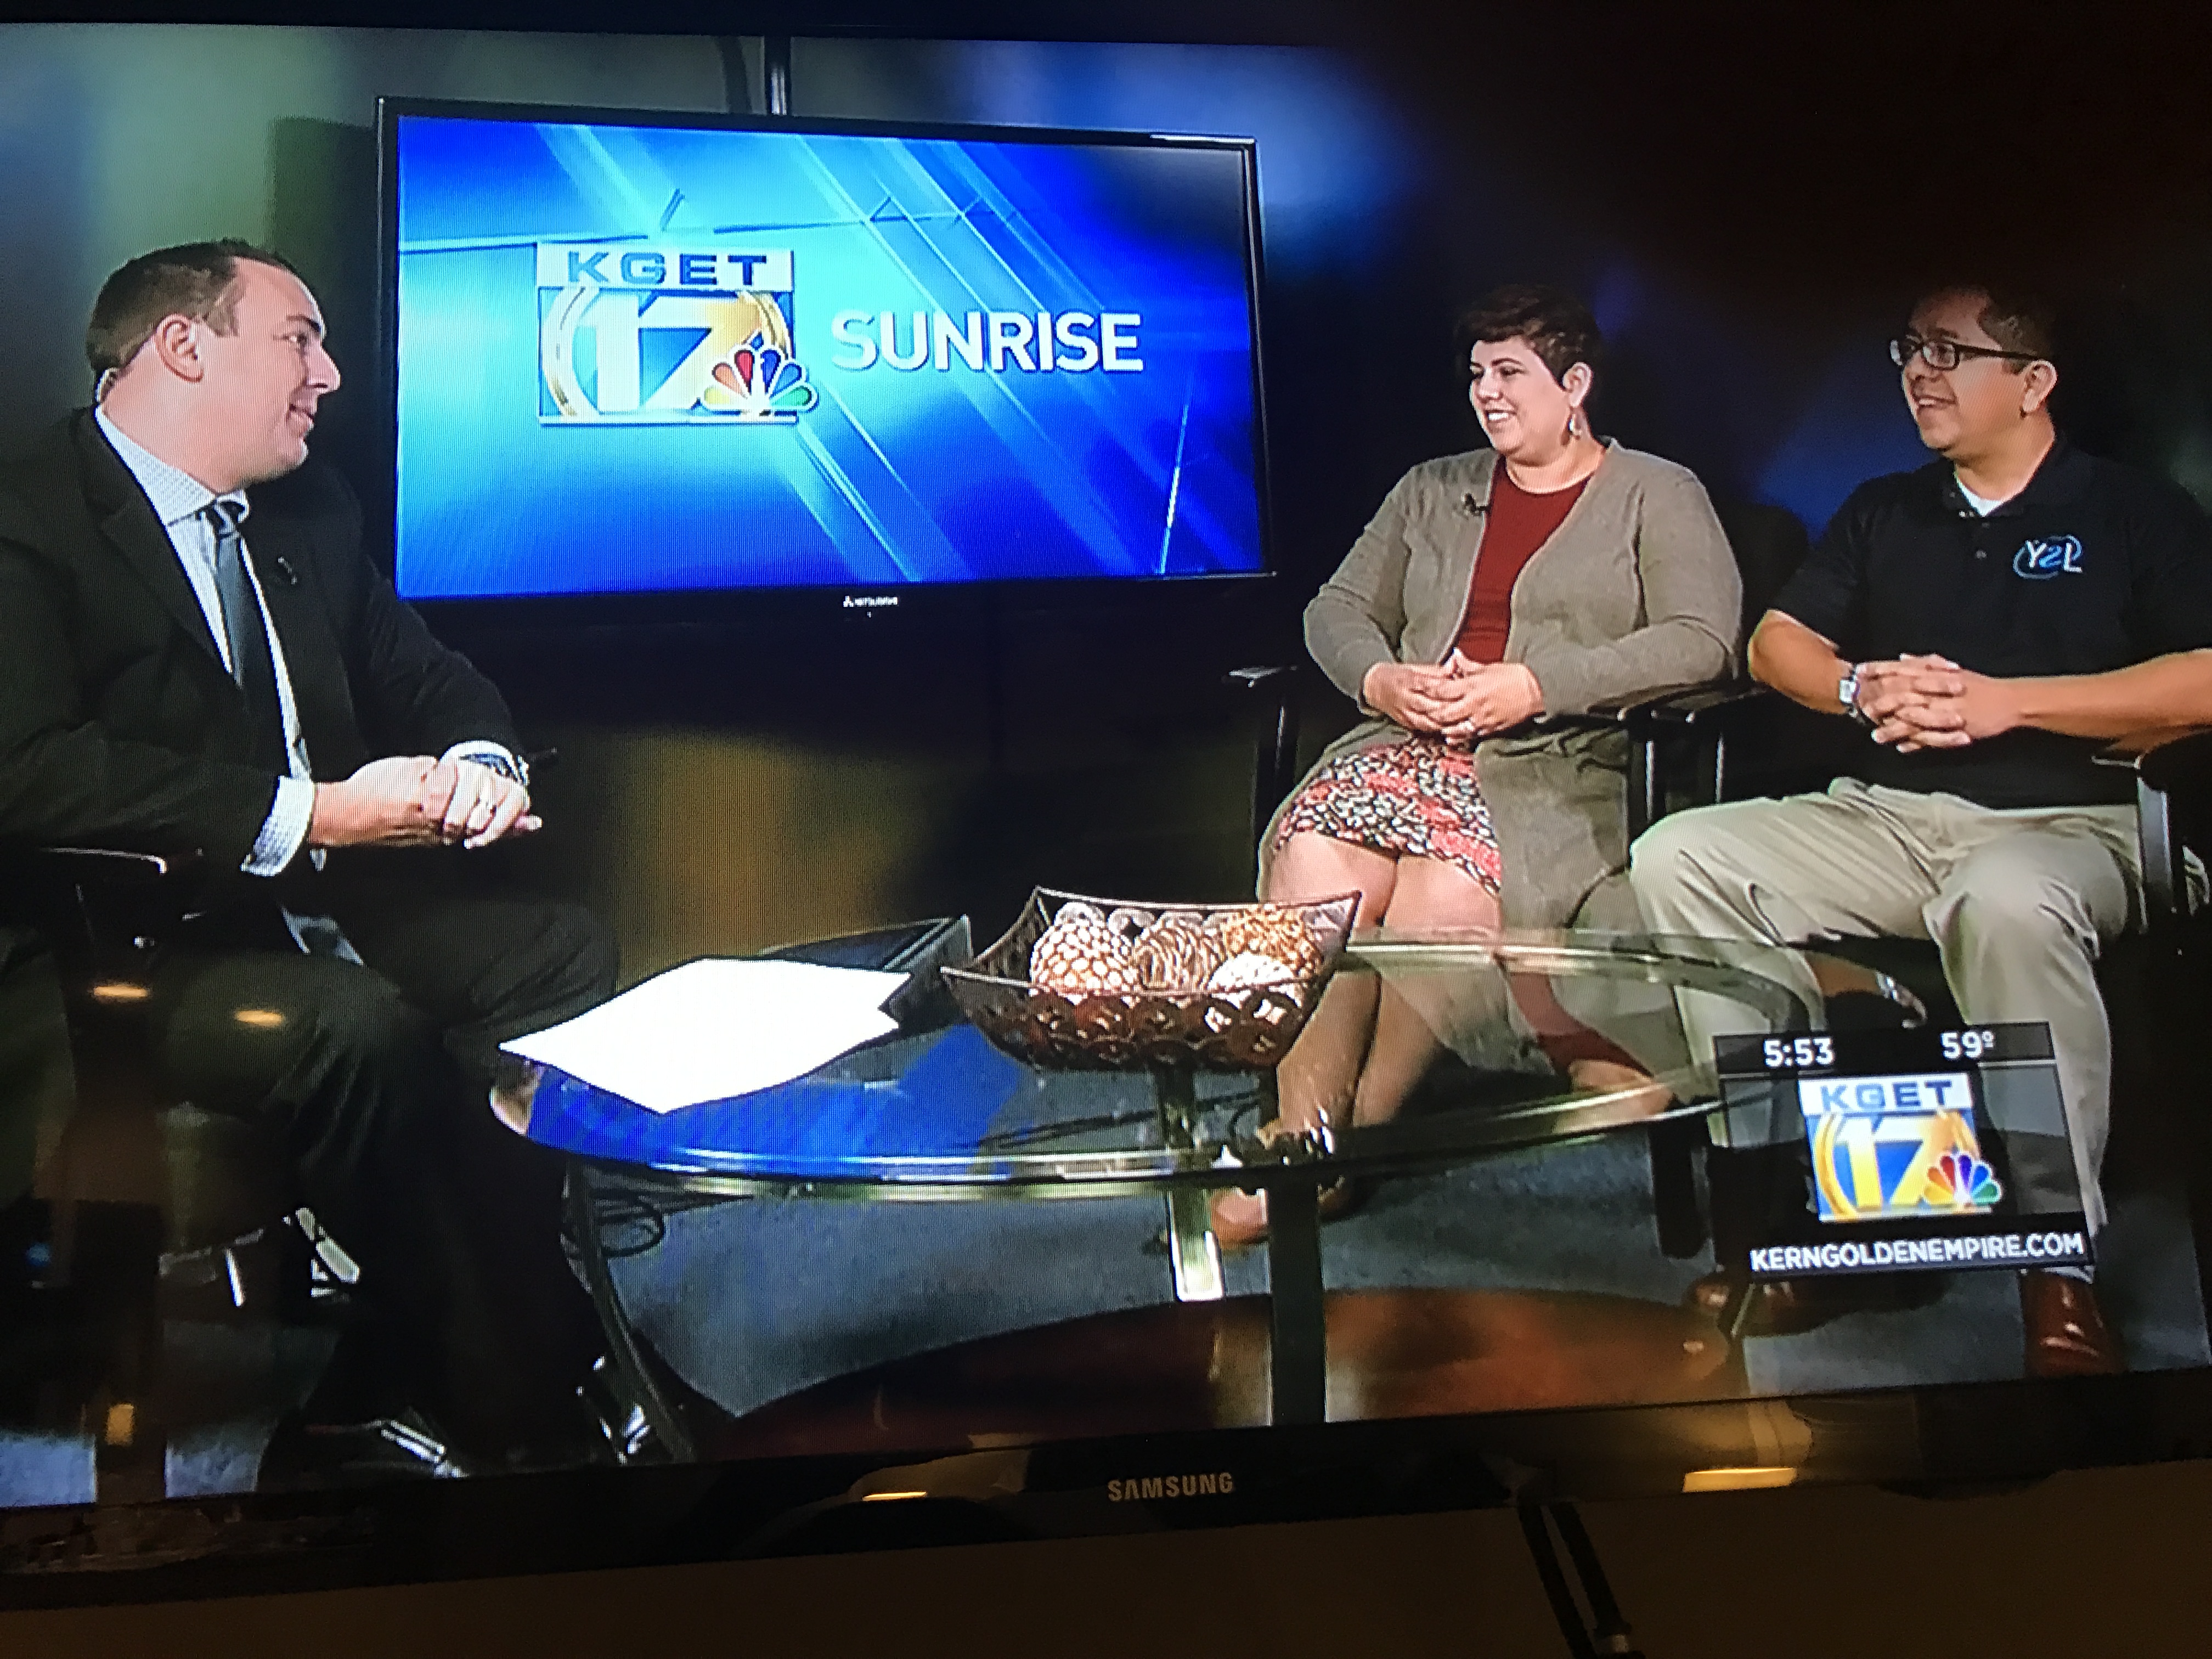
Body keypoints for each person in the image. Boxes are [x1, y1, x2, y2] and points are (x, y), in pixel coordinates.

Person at [0, 240, 618, 1470]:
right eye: (300, 339)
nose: (329, 375)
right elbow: (26, 768)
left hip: (307, 910)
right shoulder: (27, 519)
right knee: (349, 1028)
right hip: (106, 958)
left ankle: (407, 1339)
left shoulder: (312, 513)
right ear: (185, 347)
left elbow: (429, 676)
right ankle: (518, 1390)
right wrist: (321, 813)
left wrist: (480, 768)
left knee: (558, 953)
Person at [1630, 283, 2212, 1376]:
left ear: (2033, 384)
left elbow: (2205, 678)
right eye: (1909, 349)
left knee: (2000, 900)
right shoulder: (1886, 509)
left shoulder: (2134, 510)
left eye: (1950, 352)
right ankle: (1790, 1212)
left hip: (2076, 824)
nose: (1917, 372)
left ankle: (2056, 1256)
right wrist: (1859, 688)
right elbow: (1775, 645)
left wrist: (2009, 703)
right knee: (1681, 856)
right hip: (1888, 818)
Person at [1214, 285, 1741, 1245]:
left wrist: (1535, 686)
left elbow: (1701, 641)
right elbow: (1334, 610)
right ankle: (1302, 1135)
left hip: (1552, 763)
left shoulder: (1658, 493)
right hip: (1404, 750)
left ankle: (1339, 1153)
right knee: (1312, 860)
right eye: (1476, 375)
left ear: (1574, 386)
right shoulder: (1431, 487)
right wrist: (1382, 681)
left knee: (1438, 896)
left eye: (1510, 373)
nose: (1487, 393)